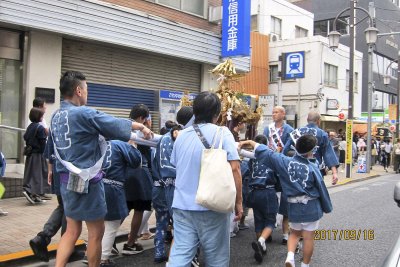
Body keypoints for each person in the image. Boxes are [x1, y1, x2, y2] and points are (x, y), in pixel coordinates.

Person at [49, 71, 152, 267]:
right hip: (87, 181)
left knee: (71, 231)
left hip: (66, 181)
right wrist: (141, 127)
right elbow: (110, 122)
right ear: (78, 90)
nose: (87, 93)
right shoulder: (82, 113)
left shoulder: (55, 115)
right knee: (96, 232)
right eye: (86, 89)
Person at [168, 92, 243, 267]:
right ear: (217, 114)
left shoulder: (181, 136)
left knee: (180, 254)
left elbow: (176, 166)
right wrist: (238, 202)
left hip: (182, 205)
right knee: (216, 257)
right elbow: (235, 168)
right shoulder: (223, 133)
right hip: (213, 205)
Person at [239, 134, 333, 267]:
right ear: (312, 151)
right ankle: (305, 265)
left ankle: (290, 257)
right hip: (311, 207)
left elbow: (267, 152)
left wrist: (249, 141)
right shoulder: (313, 168)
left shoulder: (284, 161)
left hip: (294, 206)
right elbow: (321, 189)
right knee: (308, 237)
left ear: (296, 147)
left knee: (294, 233)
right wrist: (327, 206)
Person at [100, 140, 142, 267]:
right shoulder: (119, 144)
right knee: (112, 224)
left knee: (96, 224)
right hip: (112, 186)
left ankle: (90, 253)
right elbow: (136, 162)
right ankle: (103, 258)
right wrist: (133, 147)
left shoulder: (95, 141)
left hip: (94, 185)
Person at [123, 105, 154, 255]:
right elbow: (148, 153)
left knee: (122, 209)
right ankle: (130, 243)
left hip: (123, 173)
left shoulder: (123, 128)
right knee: (139, 209)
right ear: (142, 118)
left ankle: (105, 243)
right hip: (140, 175)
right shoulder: (144, 133)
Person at [29, 140, 67, 262]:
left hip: (57, 170)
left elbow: (49, 151)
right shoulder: (77, 120)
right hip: (71, 172)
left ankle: (43, 237)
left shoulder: (54, 122)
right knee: (70, 210)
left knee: (63, 206)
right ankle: (66, 247)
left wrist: (50, 170)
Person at [245, 135, 278, 264]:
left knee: (258, 220)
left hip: (254, 191)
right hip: (267, 191)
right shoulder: (271, 156)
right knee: (270, 220)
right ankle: (260, 242)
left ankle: (261, 248)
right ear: (266, 145)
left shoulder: (252, 159)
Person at [263, 106, 293, 245]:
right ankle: (267, 230)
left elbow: (290, 147)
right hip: (270, 166)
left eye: (276, 112)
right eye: (273, 112)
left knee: (286, 198)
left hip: (283, 167)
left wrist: (280, 156)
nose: (273, 114)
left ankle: (285, 233)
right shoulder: (267, 128)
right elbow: (263, 144)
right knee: (269, 196)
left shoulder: (290, 130)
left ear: (283, 114)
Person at [283, 111, 339, 186]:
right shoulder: (322, 134)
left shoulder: (296, 132)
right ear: (319, 121)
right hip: (316, 170)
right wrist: (334, 173)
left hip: (297, 168)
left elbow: (285, 150)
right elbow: (328, 153)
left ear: (307, 119)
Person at [22, 107, 48, 204]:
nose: (42, 117)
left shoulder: (30, 126)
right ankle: (31, 192)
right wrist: (46, 153)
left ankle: (35, 195)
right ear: (39, 116)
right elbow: (43, 142)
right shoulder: (40, 128)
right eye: (41, 115)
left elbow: (25, 137)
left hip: (30, 154)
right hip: (38, 155)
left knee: (31, 173)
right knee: (38, 175)